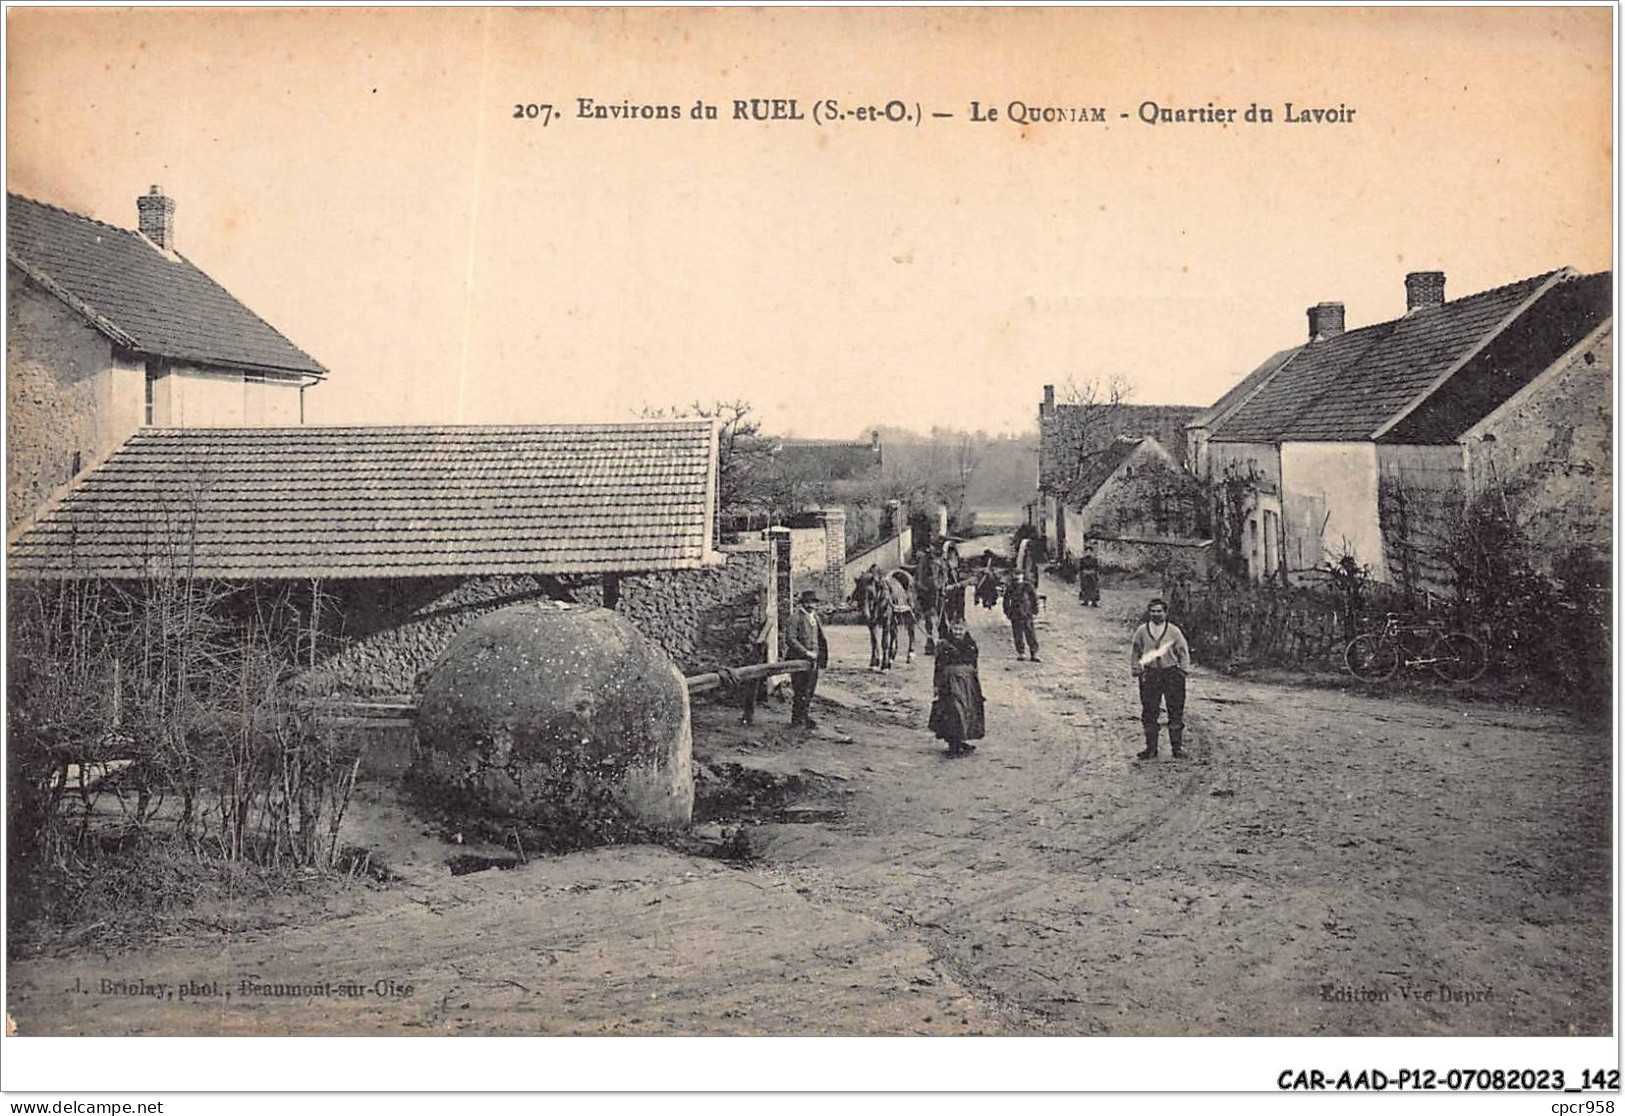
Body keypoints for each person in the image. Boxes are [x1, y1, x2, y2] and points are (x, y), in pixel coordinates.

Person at [1130, 597, 1191, 759]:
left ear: (1165, 613)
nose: (1156, 614)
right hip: (1150, 675)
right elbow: (1136, 651)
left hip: (1171, 674)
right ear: (1149, 612)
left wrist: (1183, 671)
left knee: (1175, 710)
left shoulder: (1173, 631)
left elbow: (1183, 651)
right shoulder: (1142, 630)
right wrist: (1137, 668)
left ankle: (1177, 748)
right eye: (1153, 611)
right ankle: (1151, 748)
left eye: (1159, 611)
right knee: (1149, 711)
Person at [929, 618, 985, 757]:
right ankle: (953, 744)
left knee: (966, 711)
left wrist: (976, 685)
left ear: (965, 629)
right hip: (949, 683)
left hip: (967, 683)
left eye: (960, 630)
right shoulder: (944, 645)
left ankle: (960, 741)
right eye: (955, 629)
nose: (958, 632)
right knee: (953, 710)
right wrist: (936, 684)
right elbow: (938, 666)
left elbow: (974, 664)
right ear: (951, 629)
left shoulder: (971, 644)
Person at [785, 589, 829, 729]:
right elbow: (790, 639)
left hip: (813, 661)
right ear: (802, 604)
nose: (811, 606)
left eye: (813, 603)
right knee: (800, 690)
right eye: (808, 603)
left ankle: (805, 716)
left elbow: (821, 639)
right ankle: (796, 720)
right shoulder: (795, 618)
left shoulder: (815, 618)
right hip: (798, 660)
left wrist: (820, 656)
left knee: (810, 690)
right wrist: (805, 652)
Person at [738, 588, 772, 726]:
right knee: (748, 685)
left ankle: (749, 715)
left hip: (757, 651)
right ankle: (747, 714)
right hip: (749, 650)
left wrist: (758, 642)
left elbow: (762, 633)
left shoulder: (766, 617)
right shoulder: (753, 615)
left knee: (752, 683)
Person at [1003, 570, 1041, 662]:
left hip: (1026, 613)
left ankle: (1034, 653)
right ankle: (1021, 653)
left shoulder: (1028, 586)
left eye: (1019, 575)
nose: (1017, 577)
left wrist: (1035, 610)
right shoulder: (1011, 587)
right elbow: (1006, 601)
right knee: (1017, 634)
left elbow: (1034, 599)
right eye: (1016, 575)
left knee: (1030, 633)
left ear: (1022, 576)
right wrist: (1008, 612)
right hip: (1015, 613)